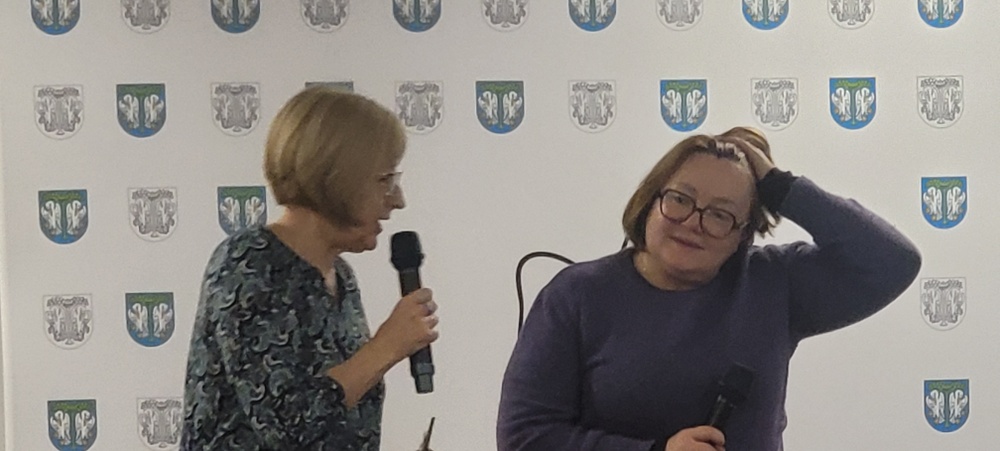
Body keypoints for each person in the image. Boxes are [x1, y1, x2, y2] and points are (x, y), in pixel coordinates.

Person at [496, 127, 921, 450]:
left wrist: (779, 186)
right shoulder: (577, 295)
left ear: (743, 235)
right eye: (680, 199)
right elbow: (525, 436)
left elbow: (893, 261)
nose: (694, 223)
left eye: (721, 215)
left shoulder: (774, 283)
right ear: (650, 200)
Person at [181, 86, 440, 450]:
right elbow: (286, 426)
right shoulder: (250, 264)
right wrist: (385, 347)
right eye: (385, 181)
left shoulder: (342, 277)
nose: (397, 200)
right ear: (335, 179)